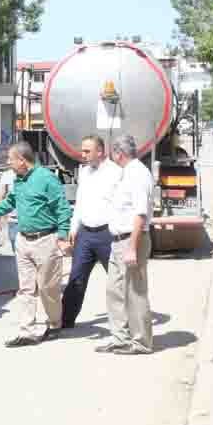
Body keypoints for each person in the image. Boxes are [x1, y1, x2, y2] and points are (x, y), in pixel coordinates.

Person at [0, 141, 71, 347]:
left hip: (46, 240)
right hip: (23, 239)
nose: (8, 162)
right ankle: (26, 330)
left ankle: (54, 323)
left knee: (48, 288)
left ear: (22, 160)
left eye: (10, 159)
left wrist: (62, 237)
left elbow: (62, 208)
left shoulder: (46, 179)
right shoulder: (18, 179)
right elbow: (10, 202)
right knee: (26, 289)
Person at [60, 134, 122, 329]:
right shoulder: (84, 172)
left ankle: (124, 323)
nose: (83, 154)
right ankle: (65, 321)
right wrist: (73, 228)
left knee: (117, 280)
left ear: (100, 152)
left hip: (107, 235)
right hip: (85, 234)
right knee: (76, 278)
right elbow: (80, 202)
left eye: (87, 151)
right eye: (82, 150)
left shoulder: (116, 173)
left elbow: (123, 205)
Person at [99, 134, 154, 354]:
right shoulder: (127, 173)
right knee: (114, 290)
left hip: (132, 240)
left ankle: (141, 342)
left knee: (135, 292)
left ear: (118, 153)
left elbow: (140, 213)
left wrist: (132, 246)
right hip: (118, 241)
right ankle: (120, 337)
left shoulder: (138, 174)